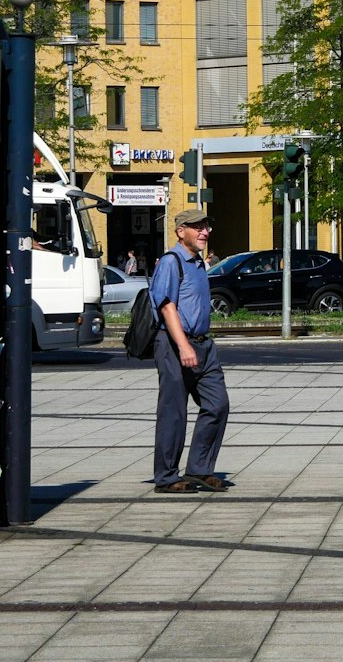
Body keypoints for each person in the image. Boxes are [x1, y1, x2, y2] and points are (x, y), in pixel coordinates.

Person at [149, 209, 231, 492]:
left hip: (203, 345)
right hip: (175, 344)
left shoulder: (197, 263)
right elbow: (166, 305)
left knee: (217, 404)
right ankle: (167, 477)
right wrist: (183, 345)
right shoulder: (172, 262)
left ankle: (198, 469)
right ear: (180, 231)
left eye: (206, 226)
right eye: (196, 227)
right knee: (174, 412)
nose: (204, 232)